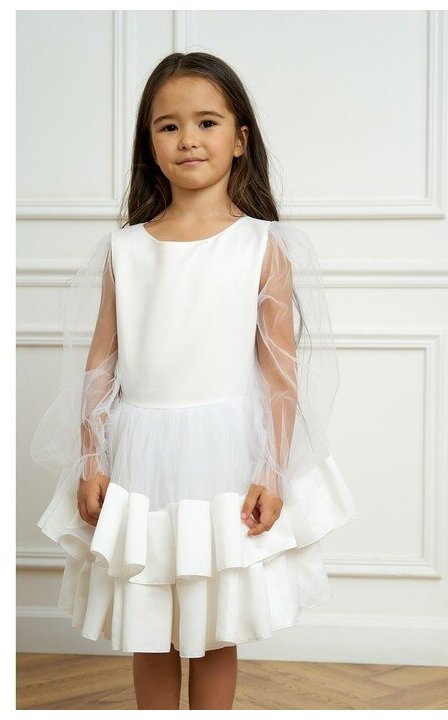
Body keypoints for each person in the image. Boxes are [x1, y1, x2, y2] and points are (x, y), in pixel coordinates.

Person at [30, 51, 358, 710]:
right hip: (139, 455)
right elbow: (101, 364)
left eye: (207, 122)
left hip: (226, 456)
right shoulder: (127, 249)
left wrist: (271, 469)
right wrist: (92, 458)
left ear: (240, 140)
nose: (188, 139)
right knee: (149, 621)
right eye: (169, 126)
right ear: (149, 145)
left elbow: (280, 371)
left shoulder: (262, 245)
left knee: (213, 624)